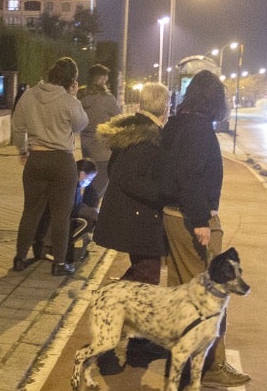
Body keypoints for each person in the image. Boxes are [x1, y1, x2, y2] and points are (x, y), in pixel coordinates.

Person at [160, 69, 250, 385]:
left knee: (181, 292)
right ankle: (210, 365)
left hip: (173, 216)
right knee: (209, 295)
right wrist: (201, 221)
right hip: (192, 219)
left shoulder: (177, 123)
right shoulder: (198, 129)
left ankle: (180, 358)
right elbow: (192, 176)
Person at [11, 56, 89, 276]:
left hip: (36, 159)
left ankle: (19, 258)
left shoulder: (29, 95)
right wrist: (74, 97)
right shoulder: (68, 100)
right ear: (71, 80)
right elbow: (81, 123)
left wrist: (22, 150)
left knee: (30, 211)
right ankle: (60, 264)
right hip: (62, 162)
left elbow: (18, 127)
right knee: (60, 215)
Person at [95, 81, 170, 284]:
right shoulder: (148, 137)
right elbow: (127, 176)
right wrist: (164, 192)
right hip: (139, 220)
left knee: (142, 271)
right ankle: (109, 304)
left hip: (129, 216)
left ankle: (109, 301)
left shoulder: (134, 129)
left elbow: (115, 170)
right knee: (147, 277)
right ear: (166, 107)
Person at [77, 63, 120, 202]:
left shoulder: (80, 97)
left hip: (86, 149)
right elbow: (119, 119)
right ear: (102, 79)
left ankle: (84, 214)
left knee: (88, 183)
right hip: (103, 150)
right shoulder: (107, 99)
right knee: (97, 189)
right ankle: (87, 219)